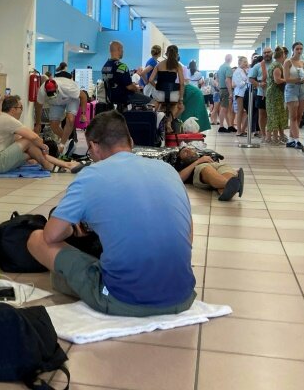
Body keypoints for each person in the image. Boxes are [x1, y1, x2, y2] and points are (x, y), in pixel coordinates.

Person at [26, 111, 196, 317]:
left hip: (124, 299)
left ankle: (83, 284)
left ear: (94, 147)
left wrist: (73, 228)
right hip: (183, 295)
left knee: (36, 240)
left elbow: (50, 236)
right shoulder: (167, 169)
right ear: (130, 141)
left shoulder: (91, 175)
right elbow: (188, 234)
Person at [0, 95, 80, 174]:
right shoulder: (7, 119)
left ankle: (66, 165)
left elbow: (31, 145)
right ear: (13, 109)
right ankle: (49, 166)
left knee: (32, 149)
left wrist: (39, 146)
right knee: (29, 140)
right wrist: (43, 146)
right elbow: (33, 137)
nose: (22, 111)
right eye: (21, 108)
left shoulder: (2, 119)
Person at [33, 77, 88, 155]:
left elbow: (83, 96)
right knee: (53, 125)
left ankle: (62, 145)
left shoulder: (67, 87)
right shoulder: (42, 91)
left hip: (71, 99)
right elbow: (38, 107)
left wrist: (83, 114)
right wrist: (38, 124)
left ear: (57, 87)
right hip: (56, 102)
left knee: (70, 119)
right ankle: (68, 142)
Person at [173, 147, 244, 201]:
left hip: (216, 165)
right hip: (200, 168)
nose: (188, 151)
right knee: (206, 169)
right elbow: (180, 177)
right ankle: (232, 184)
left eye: (190, 149)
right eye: (185, 152)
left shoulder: (203, 154)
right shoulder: (182, 165)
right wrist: (198, 161)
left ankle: (225, 191)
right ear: (180, 158)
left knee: (226, 169)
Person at [102, 41, 151, 108]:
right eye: (122, 49)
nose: (123, 52)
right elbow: (129, 87)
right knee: (149, 101)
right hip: (124, 97)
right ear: (119, 50)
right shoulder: (122, 66)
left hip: (111, 98)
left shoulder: (105, 66)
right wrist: (137, 89)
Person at [149, 45, 185, 132]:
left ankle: (154, 121)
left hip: (160, 95)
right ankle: (169, 121)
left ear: (166, 54)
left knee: (156, 103)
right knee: (180, 106)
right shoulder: (178, 66)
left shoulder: (159, 64)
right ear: (177, 54)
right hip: (173, 95)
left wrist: (156, 86)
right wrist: (181, 99)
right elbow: (182, 83)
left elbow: (150, 80)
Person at [283, 42, 304, 149]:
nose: (299, 51)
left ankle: (290, 139)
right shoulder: (288, 62)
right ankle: (297, 140)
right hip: (291, 89)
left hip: (302, 89)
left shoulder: (303, 63)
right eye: (297, 49)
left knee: (299, 116)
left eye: (301, 49)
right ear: (293, 50)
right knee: (293, 116)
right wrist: (299, 79)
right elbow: (286, 79)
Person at [266, 47, 288, 144]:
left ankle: (270, 137)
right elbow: (277, 80)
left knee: (273, 114)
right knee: (275, 115)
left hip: (273, 93)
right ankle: (274, 138)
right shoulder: (277, 66)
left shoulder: (273, 65)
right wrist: (288, 79)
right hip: (275, 93)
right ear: (283, 55)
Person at [249, 48, 271, 140]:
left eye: (268, 52)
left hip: (274, 94)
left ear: (272, 53)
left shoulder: (276, 65)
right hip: (261, 93)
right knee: (262, 114)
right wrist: (258, 84)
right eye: (264, 53)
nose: (266, 54)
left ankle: (271, 134)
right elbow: (251, 78)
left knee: (272, 114)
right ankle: (263, 134)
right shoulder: (258, 66)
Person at [217, 54, 234, 132]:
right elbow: (227, 80)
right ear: (231, 59)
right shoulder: (228, 68)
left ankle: (230, 125)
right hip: (226, 90)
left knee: (226, 108)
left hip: (221, 89)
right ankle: (221, 126)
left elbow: (217, 79)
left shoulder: (221, 67)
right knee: (224, 108)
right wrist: (230, 92)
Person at [232, 56, 250, 136]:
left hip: (245, 93)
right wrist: (247, 80)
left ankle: (243, 129)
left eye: (246, 62)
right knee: (240, 111)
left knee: (245, 112)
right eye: (244, 62)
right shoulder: (237, 72)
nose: (246, 63)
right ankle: (239, 130)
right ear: (239, 63)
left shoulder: (244, 71)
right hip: (239, 94)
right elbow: (239, 84)